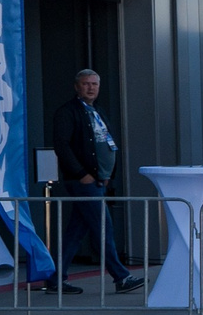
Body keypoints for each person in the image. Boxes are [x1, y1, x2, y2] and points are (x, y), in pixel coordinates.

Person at [50, 68, 145, 295]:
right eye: (86, 84)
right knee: (104, 227)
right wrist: (81, 173)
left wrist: (107, 175)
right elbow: (62, 145)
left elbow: (106, 143)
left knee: (76, 231)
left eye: (94, 84)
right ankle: (121, 277)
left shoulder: (98, 111)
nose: (90, 88)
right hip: (83, 181)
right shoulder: (68, 112)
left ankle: (55, 279)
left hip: (98, 181)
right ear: (77, 87)